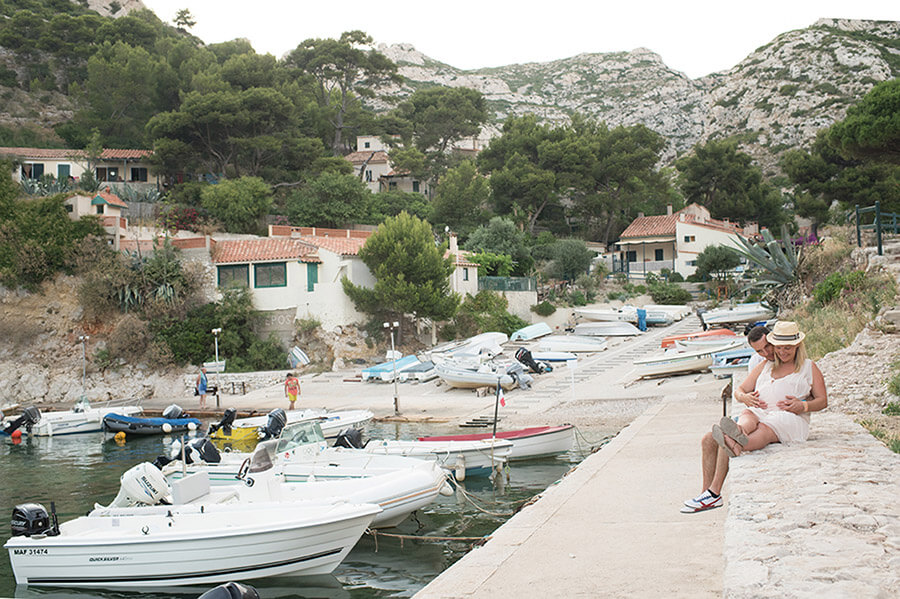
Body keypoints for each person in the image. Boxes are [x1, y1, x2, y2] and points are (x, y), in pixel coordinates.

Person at [681, 324, 775, 513]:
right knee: (708, 439)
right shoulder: (759, 361)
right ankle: (705, 493)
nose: (765, 353)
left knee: (725, 436)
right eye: (760, 350)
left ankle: (714, 494)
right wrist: (745, 397)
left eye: (767, 347)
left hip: (769, 416)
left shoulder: (784, 359)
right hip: (755, 410)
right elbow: (742, 390)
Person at [714, 320, 827, 458]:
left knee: (765, 428)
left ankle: (740, 445)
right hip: (762, 411)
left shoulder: (808, 367)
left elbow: (822, 401)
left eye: (787, 348)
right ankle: (739, 431)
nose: (782, 352)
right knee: (748, 414)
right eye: (778, 347)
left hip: (788, 417)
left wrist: (803, 405)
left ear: (797, 346)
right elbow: (741, 389)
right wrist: (746, 397)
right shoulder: (766, 365)